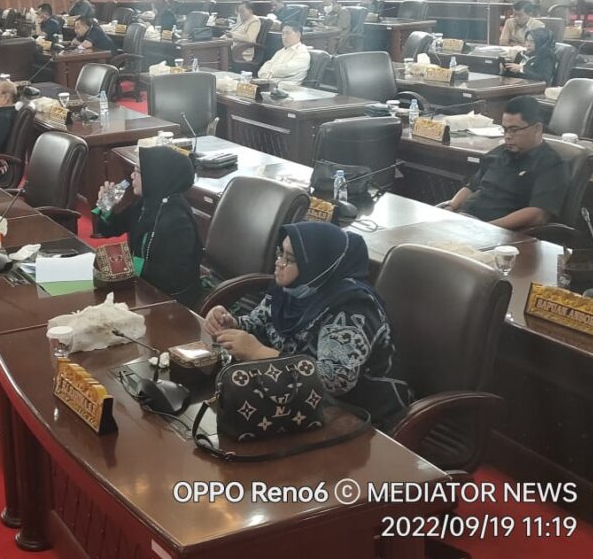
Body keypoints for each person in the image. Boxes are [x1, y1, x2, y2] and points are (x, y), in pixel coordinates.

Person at [204, 222, 412, 427]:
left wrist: (258, 352)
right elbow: (259, 324)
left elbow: (334, 380)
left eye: (290, 259)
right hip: (300, 403)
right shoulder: (292, 290)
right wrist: (231, 324)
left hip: (359, 418)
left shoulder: (351, 309)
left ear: (316, 264)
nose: (279, 263)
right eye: (280, 253)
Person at [93, 146, 202, 308]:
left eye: (137, 171)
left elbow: (174, 278)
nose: (132, 176)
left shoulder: (178, 220)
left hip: (171, 303)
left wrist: (130, 264)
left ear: (156, 176)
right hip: (142, 288)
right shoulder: (146, 203)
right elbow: (110, 229)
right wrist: (105, 206)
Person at [444, 95, 567, 230]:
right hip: (466, 223)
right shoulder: (498, 153)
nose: (507, 136)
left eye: (514, 130)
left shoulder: (550, 164)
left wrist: (486, 228)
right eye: (505, 129)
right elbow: (471, 187)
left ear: (537, 129)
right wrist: (451, 206)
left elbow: (538, 214)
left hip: (499, 232)